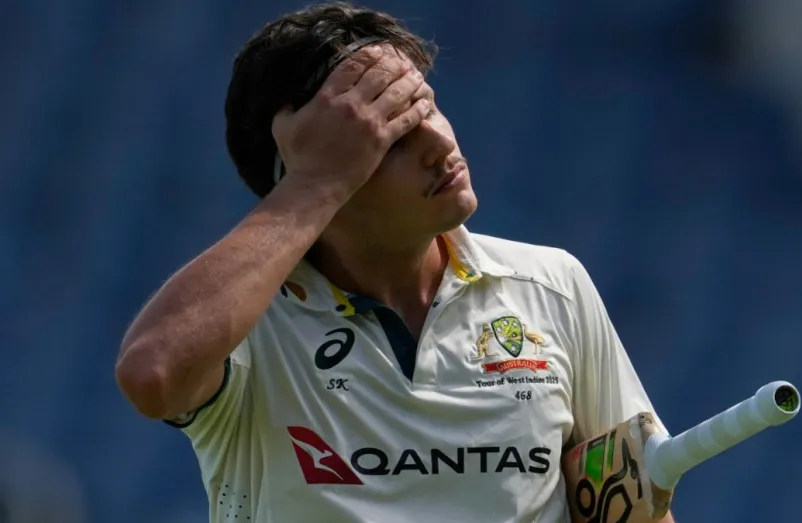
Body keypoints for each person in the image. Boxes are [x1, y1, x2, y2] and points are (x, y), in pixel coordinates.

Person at [115, 3, 674, 522]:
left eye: (427, 107)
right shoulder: (247, 327)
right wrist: (315, 183)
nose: (440, 143)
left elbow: (633, 510)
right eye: (394, 137)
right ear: (314, 172)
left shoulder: (551, 286)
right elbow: (152, 374)